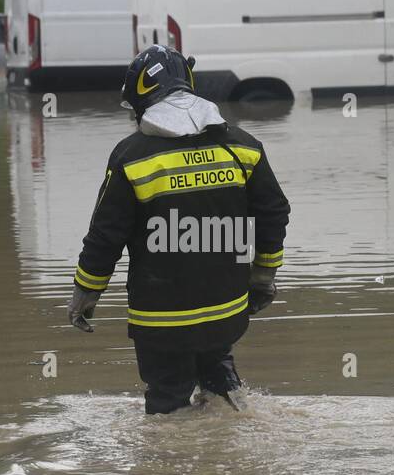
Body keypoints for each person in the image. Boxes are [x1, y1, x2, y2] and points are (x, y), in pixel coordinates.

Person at [66, 44, 290, 414]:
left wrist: (85, 294)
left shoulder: (132, 158)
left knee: (167, 411)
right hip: (227, 312)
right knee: (219, 379)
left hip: (161, 321)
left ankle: (169, 470)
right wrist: (263, 275)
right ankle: (233, 416)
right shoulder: (243, 148)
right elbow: (274, 212)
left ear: (140, 99)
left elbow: (106, 237)